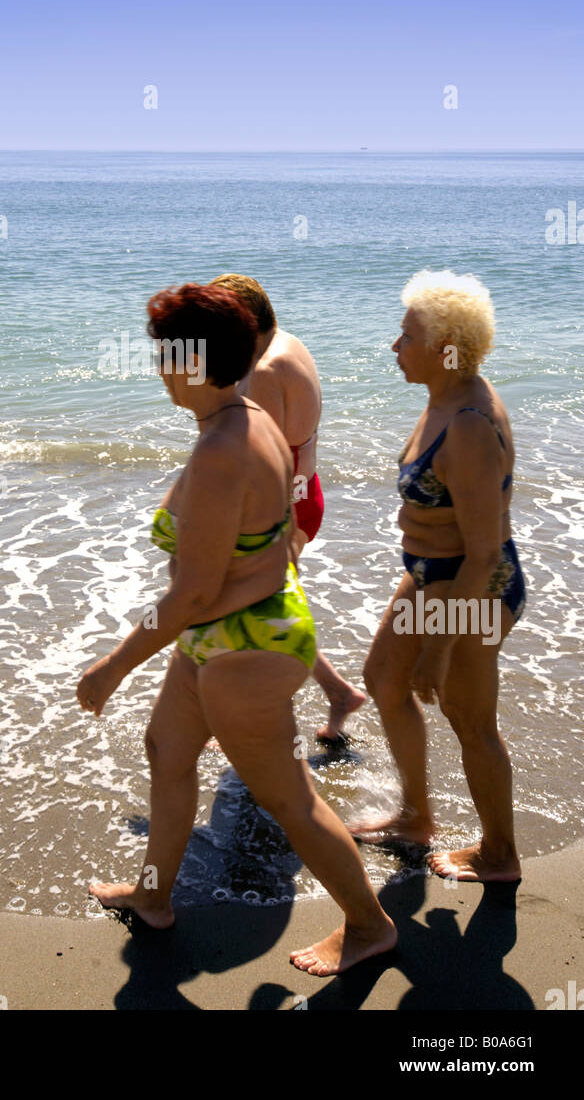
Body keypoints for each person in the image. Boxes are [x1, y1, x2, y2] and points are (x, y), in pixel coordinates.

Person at [77, 283, 397, 975]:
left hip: (247, 648)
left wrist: (113, 665)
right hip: (227, 637)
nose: (158, 366)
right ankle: (155, 897)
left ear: (193, 361)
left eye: (164, 354)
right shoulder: (244, 417)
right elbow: (271, 540)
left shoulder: (226, 445)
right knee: (166, 748)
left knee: (289, 799)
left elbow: (192, 593)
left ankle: (370, 926)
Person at [350, 270, 525, 883]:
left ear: (447, 347)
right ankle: (418, 817)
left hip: (474, 589)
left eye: (406, 335)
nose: (394, 346)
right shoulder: (444, 395)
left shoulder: (470, 427)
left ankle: (499, 854)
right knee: (382, 679)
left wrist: (440, 647)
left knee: (470, 721)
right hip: (431, 577)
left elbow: (482, 554)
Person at [210, 274, 364, 741]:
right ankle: (333, 693)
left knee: (254, 602)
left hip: (284, 506)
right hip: (305, 491)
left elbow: (263, 462)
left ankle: (261, 717)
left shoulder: (265, 371)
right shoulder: (288, 343)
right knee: (268, 604)